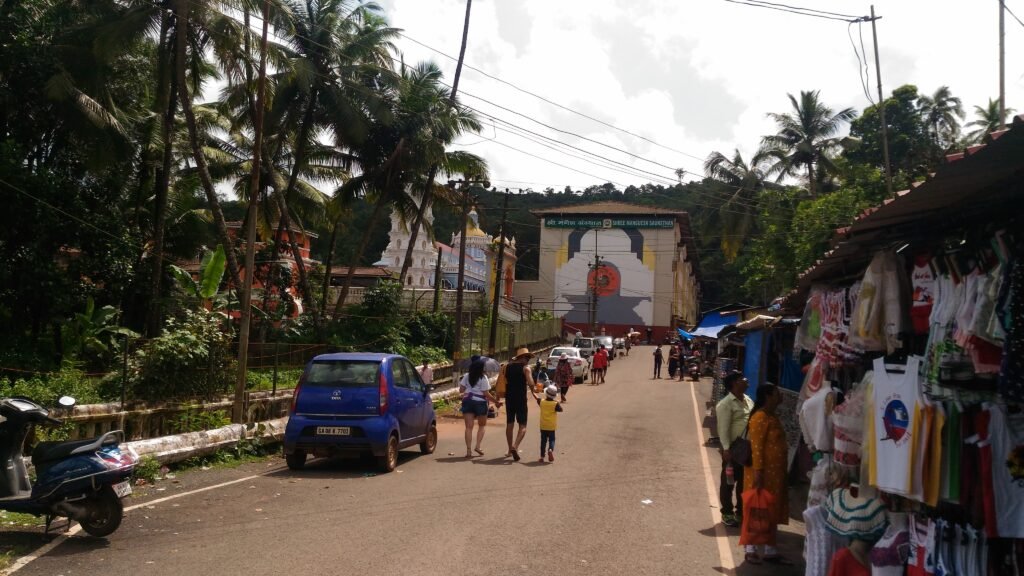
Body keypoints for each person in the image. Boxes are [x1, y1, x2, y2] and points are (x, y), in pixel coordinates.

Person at [743, 384, 791, 565]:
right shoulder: (759, 418)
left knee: (771, 512)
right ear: (768, 396)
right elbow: (756, 448)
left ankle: (771, 549)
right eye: (778, 393)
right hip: (762, 476)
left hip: (774, 476)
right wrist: (758, 473)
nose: (781, 396)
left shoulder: (771, 416)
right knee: (757, 511)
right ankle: (750, 549)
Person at [715, 372, 754, 528]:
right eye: (742, 379)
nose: (746, 380)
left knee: (744, 483)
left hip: (747, 450)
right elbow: (722, 429)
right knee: (728, 483)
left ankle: (740, 513)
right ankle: (727, 512)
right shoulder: (726, 404)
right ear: (734, 384)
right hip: (733, 450)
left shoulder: (748, 400)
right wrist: (726, 449)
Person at [503, 347, 540, 461]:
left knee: (510, 423)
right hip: (520, 399)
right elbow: (531, 383)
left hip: (509, 398)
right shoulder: (526, 368)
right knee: (523, 426)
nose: (528, 359)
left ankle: (509, 449)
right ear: (521, 357)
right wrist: (533, 387)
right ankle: (515, 446)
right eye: (527, 357)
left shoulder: (507, 367)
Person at [459, 359, 499, 458]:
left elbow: (461, 390)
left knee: (468, 427)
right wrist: (496, 402)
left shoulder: (466, 376)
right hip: (480, 402)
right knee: (481, 426)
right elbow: (486, 393)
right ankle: (477, 446)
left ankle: (468, 451)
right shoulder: (483, 377)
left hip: (468, 401)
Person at [536, 384, 564, 463]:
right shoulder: (555, 404)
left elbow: (537, 399)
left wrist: (533, 392)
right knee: (552, 440)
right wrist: (557, 402)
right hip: (551, 426)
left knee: (543, 441)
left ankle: (542, 457)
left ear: (546, 393)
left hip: (543, 426)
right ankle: (550, 449)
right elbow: (561, 410)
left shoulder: (542, 402)